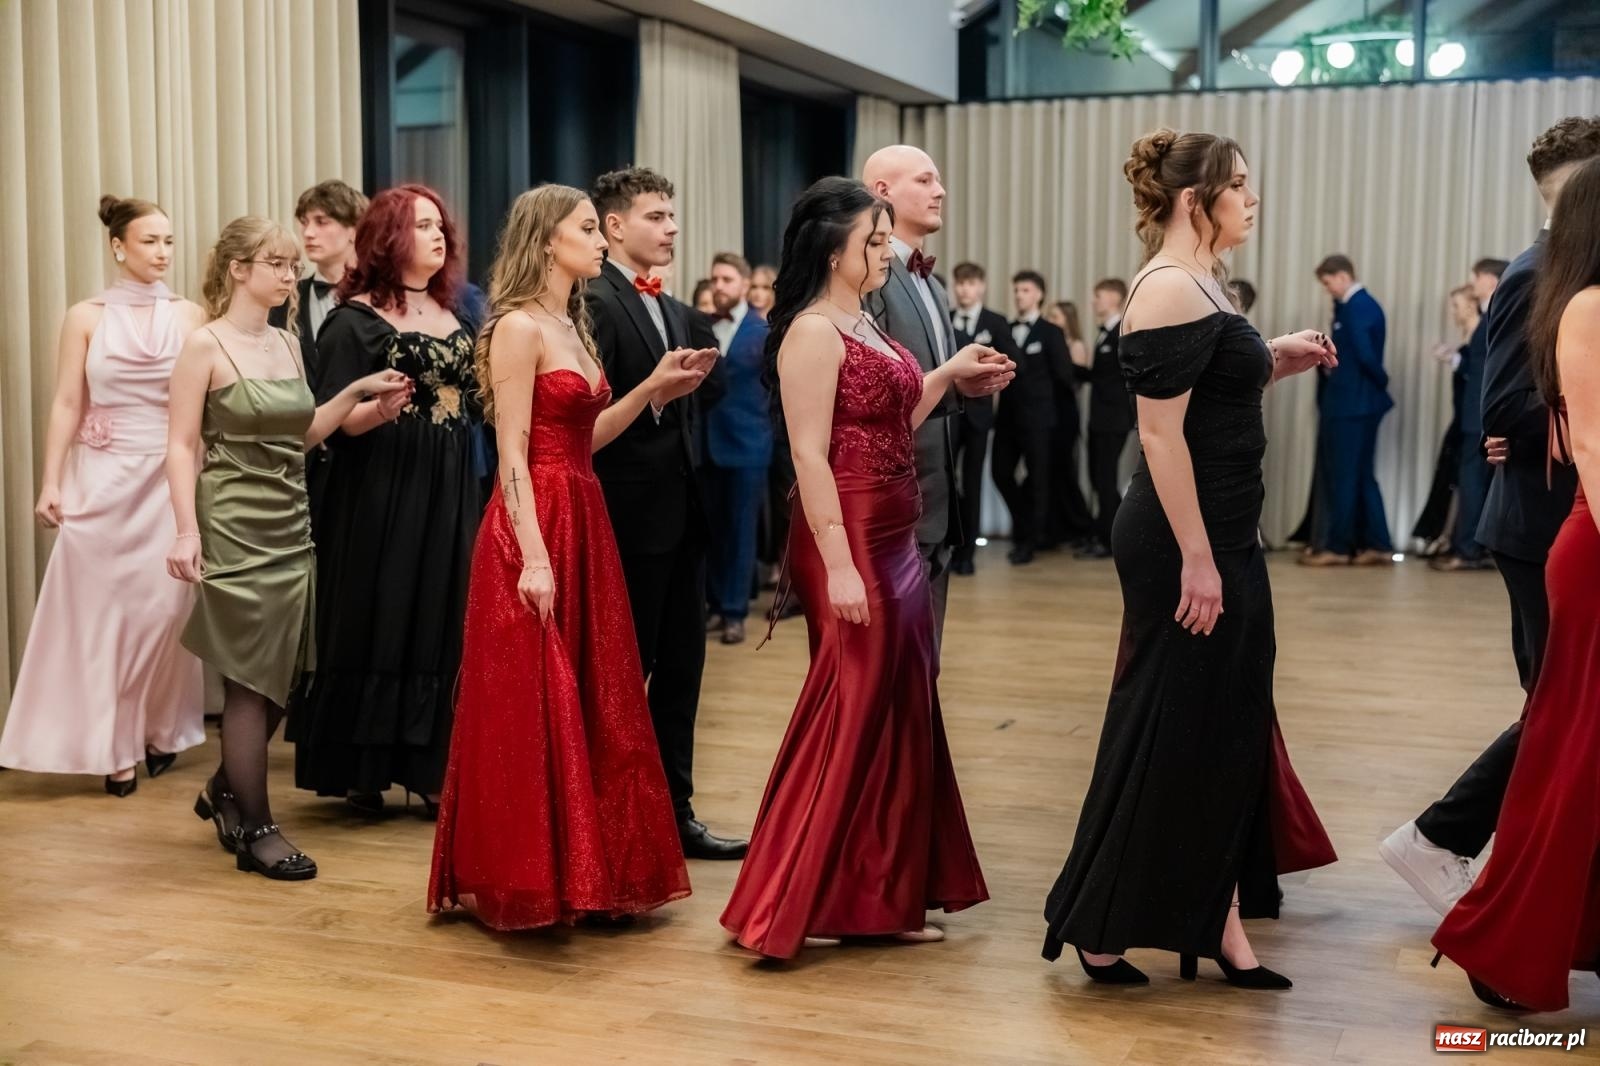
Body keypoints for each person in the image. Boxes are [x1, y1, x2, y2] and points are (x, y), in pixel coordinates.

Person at [1042, 129, 1337, 989]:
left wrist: (1270, 360)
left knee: (1220, 727)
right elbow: (1159, 436)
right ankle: (1116, 922)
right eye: (1238, 186)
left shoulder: (1200, 280)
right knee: (1174, 727)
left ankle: (1208, 914)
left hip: (1225, 534)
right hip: (1185, 541)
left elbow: (1206, 399)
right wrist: (1199, 561)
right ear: (1191, 201)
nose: (1251, 199)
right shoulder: (1170, 287)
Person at [720, 177, 1008, 959]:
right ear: (832, 249)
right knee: (850, 706)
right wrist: (841, 568)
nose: (884, 252)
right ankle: (789, 893)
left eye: (885, 240)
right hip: (846, 534)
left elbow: (887, 419)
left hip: (895, 530)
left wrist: (946, 378)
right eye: (873, 242)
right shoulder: (814, 330)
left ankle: (879, 892)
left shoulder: (863, 321)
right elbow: (810, 456)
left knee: (899, 706)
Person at [428, 185, 703, 930]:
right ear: (547, 240)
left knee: (597, 692)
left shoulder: (569, 320)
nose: (600, 239)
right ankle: (533, 877)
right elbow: (512, 452)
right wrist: (534, 555)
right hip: (537, 517)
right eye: (588, 228)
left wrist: (652, 386)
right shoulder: (518, 327)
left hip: (585, 508)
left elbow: (586, 440)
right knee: (535, 702)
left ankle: (596, 872)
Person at [1378, 116, 1597, 918]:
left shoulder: (1579, 267)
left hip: (1563, 514)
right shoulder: (1536, 272)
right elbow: (1501, 405)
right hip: (1540, 526)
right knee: (1556, 714)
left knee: (1565, 714)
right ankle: (1439, 840)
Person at [166, 215, 408, 879]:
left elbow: (301, 434)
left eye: (292, 264)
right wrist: (187, 530)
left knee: (284, 677)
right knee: (249, 678)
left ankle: (223, 792)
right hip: (231, 523)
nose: (289, 274)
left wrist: (363, 400)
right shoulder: (203, 347)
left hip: (290, 519)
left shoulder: (288, 343)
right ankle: (257, 829)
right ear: (239, 269)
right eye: (276, 262)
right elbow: (181, 446)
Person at [1430, 154, 1600, 1013]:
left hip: (1574, 532)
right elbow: (1574, 442)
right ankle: (1491, 913)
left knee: (1573, 745)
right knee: (1567, 745)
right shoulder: (1578, 301)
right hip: (1575, 539)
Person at [0, 195, 206, 796]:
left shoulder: (192, 316)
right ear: (118, 247)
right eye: (150, 241)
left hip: (170, 482)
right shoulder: (84, 315)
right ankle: (115, 747)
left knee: (163, 613)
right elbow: (68, 402)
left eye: (169, 241)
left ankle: (160, 729)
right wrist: (51, 480)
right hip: (103, 483)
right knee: (102, 618)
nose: (163, 252)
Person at [291, 184, 484, 818]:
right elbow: (334, 423)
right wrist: (377, 409)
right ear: (390, 237)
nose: (438, 236)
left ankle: (432, 764)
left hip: (451, 481)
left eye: (440, 226)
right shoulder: (355, 319)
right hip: (382, 486)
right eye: (422, 225)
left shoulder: (459, 313)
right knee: (383, 607)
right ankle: (363, 766)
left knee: (441, 611)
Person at [585, 166, 746, 860]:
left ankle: (675, 812)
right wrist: (658, 395)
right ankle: (613, 819)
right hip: (624, 516)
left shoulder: (678, 309)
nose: (671, 228)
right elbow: (587, 411)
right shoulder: (592, 302)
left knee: (683, 671)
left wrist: (690, 384)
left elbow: (710, 392)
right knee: (625, 676)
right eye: (656, 216)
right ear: (615, 225)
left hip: (684, 514)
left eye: (673, 217)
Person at [861, 146, 1002, 645]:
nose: (940, 191)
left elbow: (927, 379)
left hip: (935, 503)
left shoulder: (934, 285)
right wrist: (948, 373)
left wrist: (961, 381)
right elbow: (873, 395)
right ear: (883, 192)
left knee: (926, 665)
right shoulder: (868, 278)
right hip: (891, 501)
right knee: (894, 664)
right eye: (925, 180)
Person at [269, 179, 369, 545]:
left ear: (354, 229)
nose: (308, 233)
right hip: (305, 463)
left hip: (366, 458)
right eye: (304, 222)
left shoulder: (382, 301)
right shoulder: (284, 300)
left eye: (322, 221)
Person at [1301, 255, 1394, 566]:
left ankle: (1337, 547)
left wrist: (1380, 383)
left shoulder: (1356, 308)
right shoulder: (1360, 307)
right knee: (1362, 475)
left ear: (1341, 277)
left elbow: (1367, 358)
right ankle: (1377, 544)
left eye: (1328, 284)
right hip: (1359, 403)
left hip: (1351, 405)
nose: (1329, 291)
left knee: (1343, 476)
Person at [704, 252, 772, 645]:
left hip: (748, 445)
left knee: (741, 531)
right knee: (712, 530)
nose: (719, 286)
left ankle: (734, 611)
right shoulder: (702, 325)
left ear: (745, 285)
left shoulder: (761, 331)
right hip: (708, 446)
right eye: (715, 279)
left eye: (727, 279)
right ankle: (714, 604)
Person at [1433, 258, 1510, 571]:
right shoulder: (1494, 312)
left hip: (1479, 414)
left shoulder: (1496, 313)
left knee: (1472, 481)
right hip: (1479, 412)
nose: (1473, 283)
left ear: (1490, 280)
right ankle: (1471, 546)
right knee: (1475, 481)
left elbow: (1486, 368)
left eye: (1476, 277)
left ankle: (1468, 549)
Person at [994, 271, 1070, 566]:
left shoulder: (1051, 331)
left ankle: (1030, 539)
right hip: (1008, 417)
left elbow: (1064, 376)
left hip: (1039, 418)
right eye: (1016, 290)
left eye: (1024, 290)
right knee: (1000, 473)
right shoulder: (1006, 328)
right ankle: (1023, 523)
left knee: (1038, 479)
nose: (1018, 295)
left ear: (1039, 294)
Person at [948, 262, 1015, 575]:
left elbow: (1015, 362)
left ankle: (969, 554)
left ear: (982, 286)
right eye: (960, 283)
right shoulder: (946, 320)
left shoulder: (995, 322)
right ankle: (950, 545)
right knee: (948, 480)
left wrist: (992, 370)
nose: (964, 289)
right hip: (947, 412)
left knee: (973, 481)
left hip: (978, 415)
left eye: (971, 283)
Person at [1412, 285, 1480, 556]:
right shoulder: (1471, 336)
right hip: (1462, 418)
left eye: (1456, 305)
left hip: (1470, 420)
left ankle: (1465, 544)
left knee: (1468, 480)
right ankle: (1450, 537)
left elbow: (1477, 372)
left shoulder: (1479, 333)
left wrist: (1454, 359)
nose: (1453, 311)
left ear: (1470, 305)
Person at [1079, 279, 1132, 560]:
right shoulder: (1104, 333)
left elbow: (1122, 378)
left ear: (1113, 298)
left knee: (1106, 478)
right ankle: (1103, 533)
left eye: (1098, 296)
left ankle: (1110, 540)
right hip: (1100, 418)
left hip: (1114, 419)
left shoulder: (1122, 333)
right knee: (1099, 479)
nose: (1094, 301)